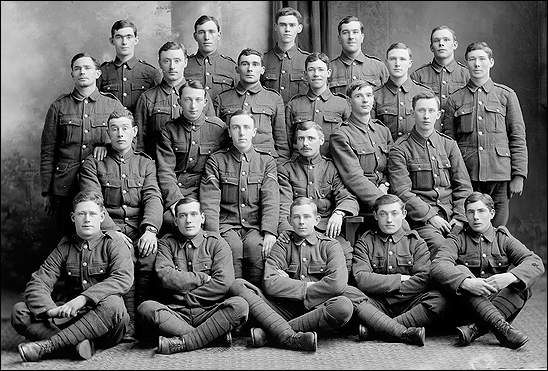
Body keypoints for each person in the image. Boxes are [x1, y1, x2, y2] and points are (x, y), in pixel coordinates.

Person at [264, 197, 426, 346]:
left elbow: (336, 283)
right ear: (289, 220)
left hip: (404, 300)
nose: (301, 222)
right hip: (290, 305)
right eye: (297, 217)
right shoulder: (282, 244)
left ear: (317, 220)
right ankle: (401, 333)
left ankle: (269, 334)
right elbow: (270, 282)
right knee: (241, 286)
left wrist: (289, 283)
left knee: (438, 300)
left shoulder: (330, 245)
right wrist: (401, 279)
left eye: (306, 217)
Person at [12, 191, 133, 362]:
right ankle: (77, 345)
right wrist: (50, 310)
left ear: (102, 216)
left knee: (114, 303)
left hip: (106, 323)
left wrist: (83, 299)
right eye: (81, 214)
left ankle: (50, 346)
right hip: (72, 317)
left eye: (92, 214)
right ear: (72, 217)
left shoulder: (114, 243)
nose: (87, 219)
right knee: (19, 312)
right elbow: (39, 281)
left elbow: (122, 278)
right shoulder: (65, 246)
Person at [79, 109, 163, 341]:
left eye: (125, 128)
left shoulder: (145, 163)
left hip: (139, 227)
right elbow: (93, 202)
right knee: (122, 256)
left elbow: (153, 197)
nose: (120, 134)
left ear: (134, 132)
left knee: (149, 257)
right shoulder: (94, 163)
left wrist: (150, 230)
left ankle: (142, 321)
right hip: (108, 228)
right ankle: (125, 323)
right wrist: (112, 232)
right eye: (114, 129)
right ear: (108, 132)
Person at [431, 192, 544, 349]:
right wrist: (466, 283)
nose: (476, 217)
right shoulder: (456, 239)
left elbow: (535, 262)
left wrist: (510, 276)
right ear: (466, 215)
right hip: (467, 308)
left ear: (491, 213)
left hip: (498, 303)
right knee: (461, 269)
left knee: (523, 285)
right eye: (470, 212)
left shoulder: (502, 238)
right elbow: (438, 265)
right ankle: (500, 328)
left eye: (481, 211)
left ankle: (475, 329)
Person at [137, 197, 249, 354]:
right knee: (146, 308)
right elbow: (165, 277)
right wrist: (202, 278)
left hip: (209, 312)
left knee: (240, 305)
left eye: (193, 214)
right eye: (182, 216)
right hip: (176, 312)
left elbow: (223, 283)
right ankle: (212, 337)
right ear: (176, 221)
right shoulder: (166, 243)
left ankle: (184, 341)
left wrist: (186, 297)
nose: (188, 220)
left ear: (202, 218)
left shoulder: (217, 242)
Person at [441, 42, 527, 227]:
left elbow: (517, 137)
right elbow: (448, 143)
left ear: (491, 62)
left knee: (498, 228)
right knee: (469, 225)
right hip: (467, 175)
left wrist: (519, 175)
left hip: (500, 174)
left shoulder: (506, 95)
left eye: (482, 59)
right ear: (467, 63)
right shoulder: (454, 100)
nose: (477, 64)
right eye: (472, 59)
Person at [40, 52, 125, 239]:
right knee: (66, 240)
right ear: (72, 74)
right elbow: (48, 151)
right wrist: (47, 191)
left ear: (97, 73)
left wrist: (108, 144)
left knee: (102, 241)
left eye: (87, 68)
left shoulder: (112, 105)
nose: (82, 72)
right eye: (77, 68)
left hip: (102, 185)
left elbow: (128, 139)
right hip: (65, 187)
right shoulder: (59, 107)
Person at [200, 109, 279, 288]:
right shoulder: (216, 161)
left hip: (255, 227)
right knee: (231, 249)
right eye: (236, 127)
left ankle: (258, 305)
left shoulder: (266, 162)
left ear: (254, 131)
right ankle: (234, 304)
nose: (241, 132)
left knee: (257, 249)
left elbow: (271, 199)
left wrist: (269, 232)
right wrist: (213, 234)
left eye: (246, 127)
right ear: (229, 131)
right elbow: (209, 201)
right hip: (226, 226)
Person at [388, 91, 473, 259]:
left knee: (476, 249)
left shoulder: (449, 145)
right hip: (422, 221)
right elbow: (402, 192)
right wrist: (431, 216)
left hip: (453, 217)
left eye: (431, 111)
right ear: (412, 113)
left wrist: (460, 217)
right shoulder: (400, 149)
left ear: (438, 114)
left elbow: (463, 186)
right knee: (444, 250)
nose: (426, 116)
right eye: (421, 111)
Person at [352, 194, 448, 341]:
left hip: (409, 304)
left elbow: (422, 279)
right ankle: (404, 331)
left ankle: (377, 329)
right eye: (383, 214)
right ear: (375, 215)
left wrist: (383, 285)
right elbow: (362, 279)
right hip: (377, 304)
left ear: (403, 214)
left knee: (439, 299)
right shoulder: (365, 242)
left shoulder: (416, 242)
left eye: (394, 213)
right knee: (349, 295)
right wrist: (400, 279)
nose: (389, 219)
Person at [278, 120, 358, 271]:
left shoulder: (332, 168)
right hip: (296, 230)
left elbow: (347, 197)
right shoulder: (286, 170)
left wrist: (339, 213)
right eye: (301, 139)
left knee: (345, 255)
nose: (305, 143)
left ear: (321, 141)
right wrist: (286, 231)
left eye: (310, 138)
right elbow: (283, 205)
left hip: (325, 230)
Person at [156, 80, 228, 231]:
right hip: (178, 191)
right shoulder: (169, 130)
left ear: (205, 102)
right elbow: (165, 171)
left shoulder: (218, 128)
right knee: (171, 220)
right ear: (179, 101)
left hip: (208, 193)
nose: (193, 105)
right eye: (188, 100)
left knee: (210, 224)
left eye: (198, 100)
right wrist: (176, 201)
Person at [134, 41, 215, 158]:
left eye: (177, 61)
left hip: (194, 168)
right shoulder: (147, 98)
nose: (172, 66)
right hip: (157, 166)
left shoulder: (201, 95)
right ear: (160, 64)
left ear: (185, 62)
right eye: (166, 61)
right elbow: (139, 142)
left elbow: (211, 133)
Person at [214, 48, 289, 162]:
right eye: (245, 64)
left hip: (265, 163)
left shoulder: (274, 98)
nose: (250, 69)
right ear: (237, 69)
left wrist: (279, 168)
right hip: (231, 162)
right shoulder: (222, 99)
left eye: (255, 64)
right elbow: (216, 139)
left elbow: (281, 142)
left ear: (262, 70)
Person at [330, 80, 393, 215]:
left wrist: (385, 185)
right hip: (361, 202)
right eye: (359, 96)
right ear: (349, 101)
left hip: (385, 194)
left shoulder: (383, 130)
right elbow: (353, 178)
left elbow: (392, 168)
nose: (365, 100)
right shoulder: (341, 134)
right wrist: (382, 201)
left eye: (369, 95)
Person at [286, 52, 351, 156]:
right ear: (305, 74)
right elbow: (286, 142)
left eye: (321, 69)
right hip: (299, 166)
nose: (316, 74)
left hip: (332, 165)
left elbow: (351, 140)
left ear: (328, 73)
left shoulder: (342, 104)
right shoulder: (294, 104)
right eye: (311, 70)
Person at [97, 19, 161, 114]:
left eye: (129, 37)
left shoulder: (151, 73)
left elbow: (157, 110)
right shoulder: (102, 72)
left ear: (136, 40)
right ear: (112, 41)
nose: (124, 42)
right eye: (119, 37)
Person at [373, 42, 432, 140]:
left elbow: (432, 132)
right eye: (392, 59)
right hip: (387, 153)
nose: (397, 64)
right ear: (386, 62)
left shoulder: (424, 93)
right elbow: (371, 133)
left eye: (402, 59)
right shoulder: (375, 96)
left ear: (410, 63)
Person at [410, 25, 470, 110]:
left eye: (446, 40)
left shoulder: (467, 75)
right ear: (431, 47)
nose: (441, 43)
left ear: (455, 45)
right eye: (436, 40)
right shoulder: (418, 76)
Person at [329, 16, 388, 96]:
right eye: (345, 32)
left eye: (355, 32)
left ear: (362, 37)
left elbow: (388, 100)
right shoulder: (329, 68)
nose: (351, 37)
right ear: (339, 39)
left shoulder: (379, 67)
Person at [185, 15, 238, 102]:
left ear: (219, 35)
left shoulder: (231, 67)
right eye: (201, 32)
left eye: (211, 32)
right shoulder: (185, 66)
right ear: (195, 36)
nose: (206, 37)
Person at [262, 6, 310, 104]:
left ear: (299, 28)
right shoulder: (262, 60)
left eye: (292, 25)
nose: (287, 29)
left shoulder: (308, 60)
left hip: (298, 117)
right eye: (283, 25)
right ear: (275, 27)